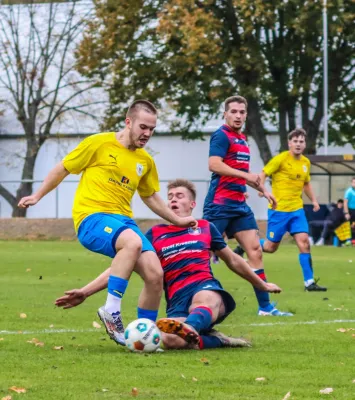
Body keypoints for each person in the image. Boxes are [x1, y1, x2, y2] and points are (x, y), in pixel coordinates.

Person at [18, 100, 197, 346]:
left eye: (152, 129)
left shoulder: (145, 161)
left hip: (124, 221)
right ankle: (111, 310)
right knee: (132, 243)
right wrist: (37, 195)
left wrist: (177, 220)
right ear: (128, 122)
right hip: (92, 217)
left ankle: (145, 335)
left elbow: (150, 195)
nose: (147, 134)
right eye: (143, 127)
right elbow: (63, 168)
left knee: (155, 275)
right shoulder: (98, 143)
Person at [55, 179, 283, 350]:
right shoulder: (155, 234)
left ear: (192, 204)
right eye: (170, 196)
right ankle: (216, 339)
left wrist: (261, 284)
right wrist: (85, 292)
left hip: (205, 288)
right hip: (177, 303)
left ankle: (192, 326)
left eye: (180, 196)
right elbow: (121, 265)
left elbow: (233, 260)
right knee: (169, 340)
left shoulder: (204, 227)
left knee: (204, 300)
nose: (173, 199)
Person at [203, 95, 292, 316]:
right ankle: (195, 300)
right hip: (219, 205)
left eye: (242, 112)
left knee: (255, 252)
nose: (238, 115)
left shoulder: (242, 139)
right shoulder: (221, 136)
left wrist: (263, 190)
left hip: (240, 206)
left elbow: (245, 177)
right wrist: (246, 176)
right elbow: (214, 165)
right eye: (233, 111)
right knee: (202, 254)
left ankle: (265, 307)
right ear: (225, 114)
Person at [246, 128, 326, 291]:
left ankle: (309, 283)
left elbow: (306, 184)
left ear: (305, 144)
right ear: (290, 143)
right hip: (279, 210)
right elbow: (263, 174)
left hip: (297, 210)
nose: (298, 144)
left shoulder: (305, 163)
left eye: (301, 141)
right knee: (270, 248)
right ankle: (247, 244)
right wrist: (262, 190)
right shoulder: (281, 159)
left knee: (304, 243)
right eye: (295, 141)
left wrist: (315, 201)